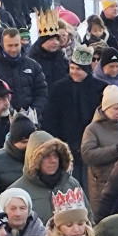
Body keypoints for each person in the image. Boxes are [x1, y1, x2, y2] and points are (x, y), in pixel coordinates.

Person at [46, 45, 107, 188]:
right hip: (66, 142)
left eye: (78, 69)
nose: (74, 72)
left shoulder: (100, 88)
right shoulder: (58, 88)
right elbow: (51, 117)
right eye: (72, 68)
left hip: (92, 143)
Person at [10, 130, 91, 225]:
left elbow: (88, 218)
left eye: (55, 155)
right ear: (35, 160)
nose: (53, 161)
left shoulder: (71, 183)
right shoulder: (17, 192)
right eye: (46, 156)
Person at [80, 83, 118, 206]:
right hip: (102, 184)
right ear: (106, 108)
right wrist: (115, 151)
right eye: (115, 109)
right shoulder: (93, 129)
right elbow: (87, 154)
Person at [0, 28, 49, 119]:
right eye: (10, 46)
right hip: (3, 120)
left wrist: (34, 110)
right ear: (3, 45)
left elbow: (42, 92)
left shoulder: (33, 65)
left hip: (31, 120)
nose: (14, 49)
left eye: (16, 45)